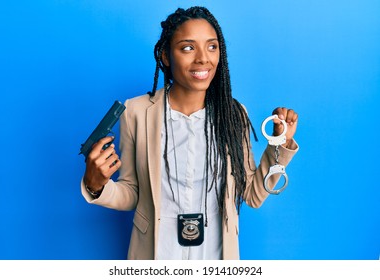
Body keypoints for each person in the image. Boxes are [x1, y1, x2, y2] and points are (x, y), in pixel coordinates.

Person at [81, 6, 299, 260]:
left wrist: (279, 145)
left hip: (215, 256)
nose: (203, 59)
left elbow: (252, 194)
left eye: (212, 46)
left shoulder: (233, 114)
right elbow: (131, 193)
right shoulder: (136, 112)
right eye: (187, 47)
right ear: (165, 56)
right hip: (156, 254)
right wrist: (96, 185)